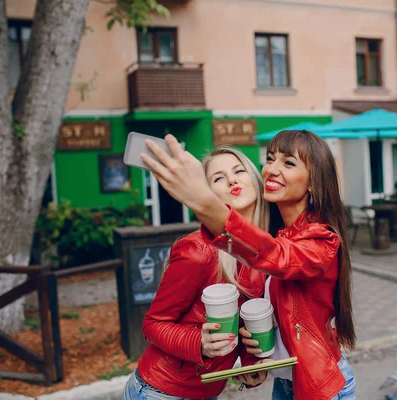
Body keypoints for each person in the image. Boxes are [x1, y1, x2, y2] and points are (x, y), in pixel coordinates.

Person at [142, 130, 357, 400]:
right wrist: (252, 360)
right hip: (285, 384)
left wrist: (202, 201)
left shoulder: (318, 240)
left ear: (314, 182)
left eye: (288, 163)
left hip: (318, 385)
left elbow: (278, 258)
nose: (272, 169)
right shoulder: (272, 236)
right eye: (270, 159)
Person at [123, 146, 269, 400]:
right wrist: (198, 342)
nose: (232, 180)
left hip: (206, 392)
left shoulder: (267, 252)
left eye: (239, 171)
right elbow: (152, 324)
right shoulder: (199, 250)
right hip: (160, 392)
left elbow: (244, 322)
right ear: (206, 194)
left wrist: (250, 363)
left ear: (255, 181)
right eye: (218, 178)